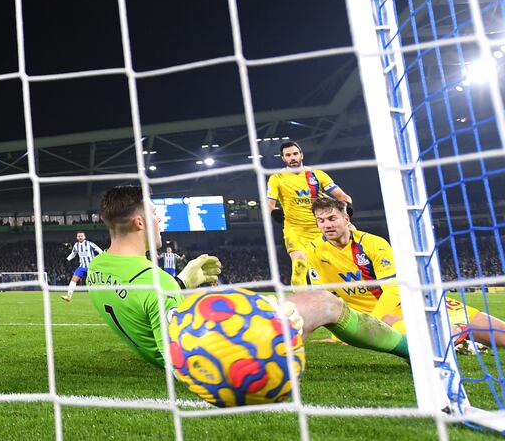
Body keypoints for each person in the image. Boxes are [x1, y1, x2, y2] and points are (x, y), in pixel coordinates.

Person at [87, 185, 410, 370]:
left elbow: (143, 302)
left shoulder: (97, 269)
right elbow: (176, 360)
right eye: (156, 214)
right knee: (324, 303)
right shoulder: (156, 281)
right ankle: (410, 350)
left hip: (197, 343)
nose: (161, 219)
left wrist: (183, 283)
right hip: (224, 362)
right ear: (140, 223)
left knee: (254, 302)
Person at [306, 197, 505, 348]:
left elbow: (393, 290)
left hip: (410, 301)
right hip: (379, 316)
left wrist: (368, 326)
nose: (327, 225)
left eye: (332, 218)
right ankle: (451, 337)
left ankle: (456, 335)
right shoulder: (313, 250)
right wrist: (341, 334)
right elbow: (327, 297)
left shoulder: (373, 244)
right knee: (391, 322)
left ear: (346, 218)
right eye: (321, 220)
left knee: (496, 331)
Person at [267, 141, 353, 287]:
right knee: (299, 266)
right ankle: (298, 308)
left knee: (355, 248)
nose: (292, 157)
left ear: (301, 155)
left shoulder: (317, 175)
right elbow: (269, 204)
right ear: (283, 158)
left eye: (295, 153)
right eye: (288, 155)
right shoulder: (277, 178)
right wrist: (273, 212)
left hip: (323, 227)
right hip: (296, 230)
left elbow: (344, 197)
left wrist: (347, 209)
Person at [61, 232, 103, 302]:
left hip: (92, 267)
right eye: (78, 236)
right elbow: (73, 253)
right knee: (74, 279)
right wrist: (67, 259)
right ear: (77, 237)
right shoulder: (76, 245)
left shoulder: (90, 244)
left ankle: (102, 296)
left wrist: (101, 257)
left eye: (81, 236)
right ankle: (69, 296)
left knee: (96, 282)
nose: (80, 237)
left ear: (84, 237)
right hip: (82, 267)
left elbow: (99, 250)